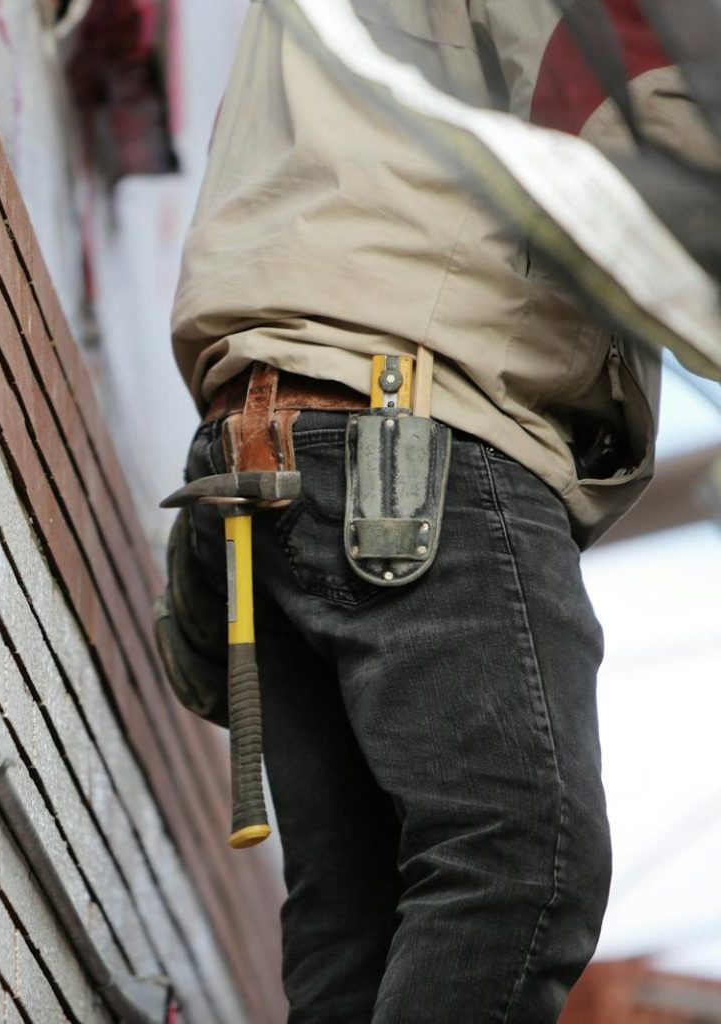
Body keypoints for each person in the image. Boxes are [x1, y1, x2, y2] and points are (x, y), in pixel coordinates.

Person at [162, 2, 720, 1021]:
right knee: (522, 863)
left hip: (280, 429)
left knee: (360, 926)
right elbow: (653, 128)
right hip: (412, 429)